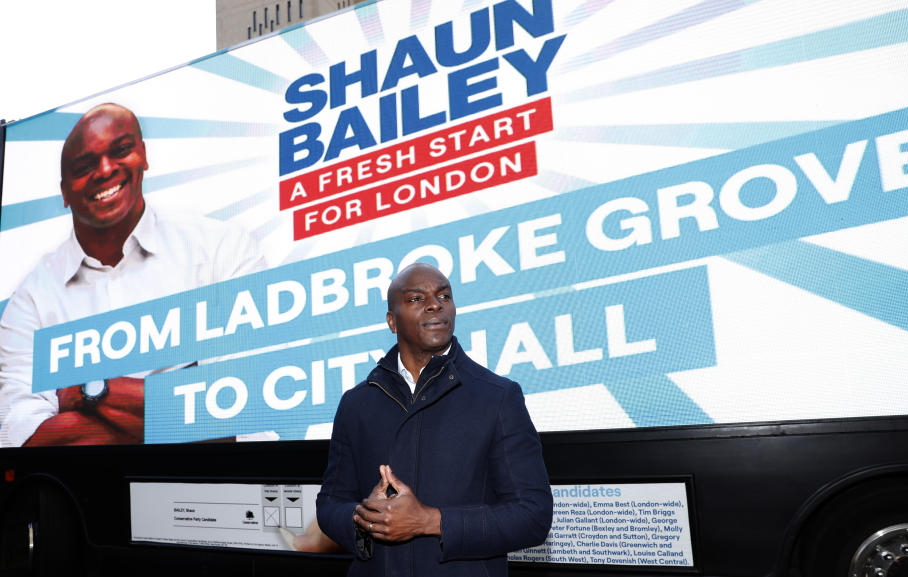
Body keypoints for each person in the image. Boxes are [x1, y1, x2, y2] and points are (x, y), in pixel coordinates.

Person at [0, 103, 266, 447]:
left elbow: (240, 416)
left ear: (143, 155)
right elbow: (23, 440)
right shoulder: (31, 299)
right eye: (84, 166)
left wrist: (87, 393)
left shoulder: (221, 248)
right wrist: (179, 404)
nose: (105, 170)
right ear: (64, 192)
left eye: (121, 150)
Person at [315, 262, 553, 576]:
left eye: (444, 296)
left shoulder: (497, 397)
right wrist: (367, 518)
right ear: (392, 321)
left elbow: (532, 516)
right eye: (416, 299)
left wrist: (429, 521)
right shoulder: (356, 403)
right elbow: (330, 504)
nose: (434, 304)